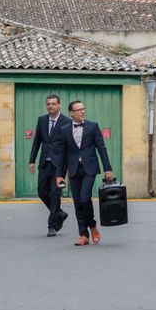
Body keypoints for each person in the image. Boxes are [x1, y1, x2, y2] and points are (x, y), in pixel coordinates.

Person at [55, 100, 114, 246]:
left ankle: (92, 226)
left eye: (83, 109)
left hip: (90, 168)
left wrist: (108, 168)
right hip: (74, 169)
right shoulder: (64, 130)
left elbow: (102, 148)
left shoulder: (93, 127)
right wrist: (59, 175)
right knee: (77, 203)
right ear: (71, 113)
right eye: (79, 109)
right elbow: (62, 154)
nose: (83, 112)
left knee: (84, 198)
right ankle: (83, 234)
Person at [28, 95, 70, 237]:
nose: (50, 106)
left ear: (59, 105)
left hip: (59, 165)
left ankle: (52, 226)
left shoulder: (66, 122)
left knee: (55, 194)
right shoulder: (41, 120)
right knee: (41, 191)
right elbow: (36, 142)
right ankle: (59, 213)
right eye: (48, 104)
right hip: (44, 163)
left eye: (53, 104)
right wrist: (31, 160)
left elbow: (68, 145)